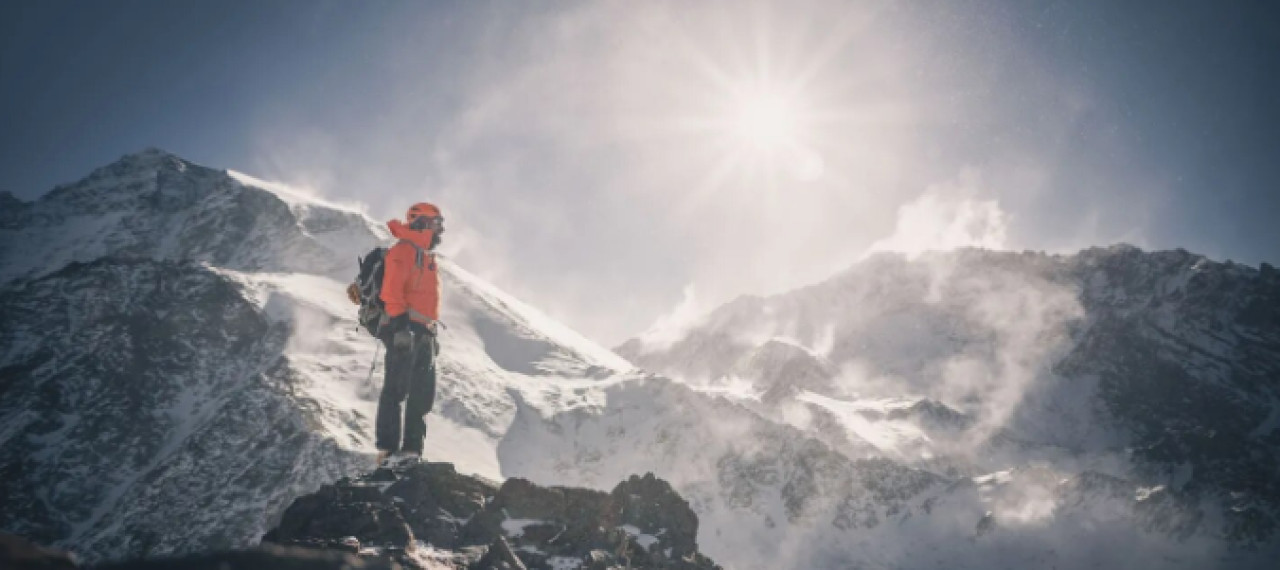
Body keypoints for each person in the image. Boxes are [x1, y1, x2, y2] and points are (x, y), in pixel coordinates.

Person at [375, 202, 444, 467]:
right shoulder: (404, 250)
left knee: (421, 395)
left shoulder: (425, 256)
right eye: (436, 223)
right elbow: (391, 291)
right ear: (422, 223)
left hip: (425, 331)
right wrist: (400, 327)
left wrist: (430, 333)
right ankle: (388, 453)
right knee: (396, 390)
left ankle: (412, 452)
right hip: (405, 328)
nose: (440, 229)